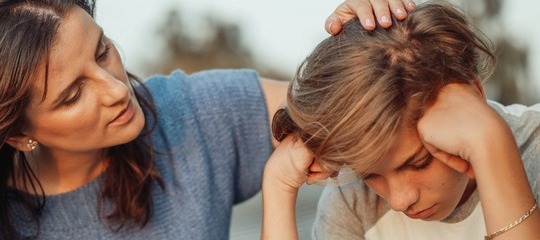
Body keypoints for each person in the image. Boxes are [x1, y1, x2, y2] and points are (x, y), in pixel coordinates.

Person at [0, 0, 416, 239]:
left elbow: (358, 104)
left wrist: (374, 44)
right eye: (73, 95)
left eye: (102, 51)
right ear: (19, 135)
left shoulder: (192, 111)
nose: (117, 90)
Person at [262, 1, 540, 240]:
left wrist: (490, 143)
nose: (398, 199)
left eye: (419, 163)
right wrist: (278, 187)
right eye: (369, 174)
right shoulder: (354, 201)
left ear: (475, 95)